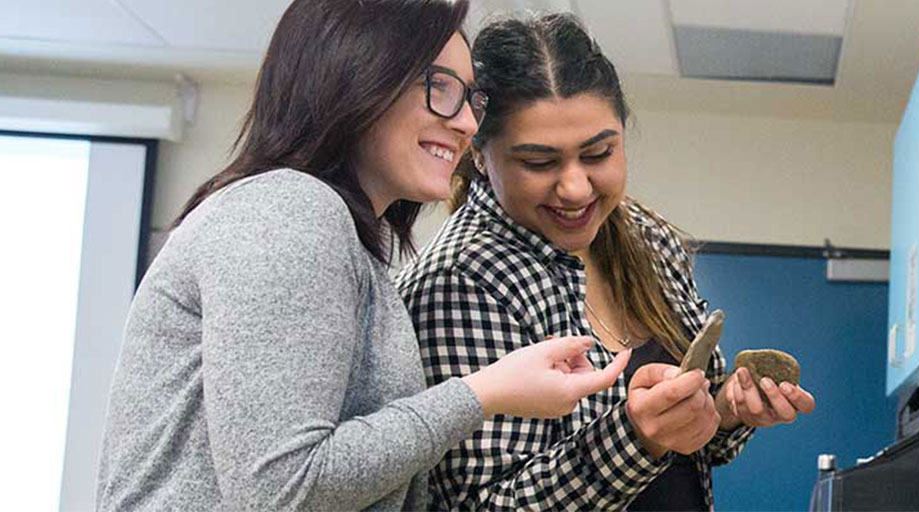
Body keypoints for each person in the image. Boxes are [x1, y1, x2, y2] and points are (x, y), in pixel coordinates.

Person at [95, 1, 628, 509]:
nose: (467, 123)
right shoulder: (289, 208)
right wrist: (484, 393)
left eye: (470, 98)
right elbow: (285, 489)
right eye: (440, 88)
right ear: (357, 76)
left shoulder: (348, 241)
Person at [398, 13, 817, 510]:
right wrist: (638, 437)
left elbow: (693, 449)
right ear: (478, 154)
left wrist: (725, 410)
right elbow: (482, 506)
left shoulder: (645, 235)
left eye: (598, 153)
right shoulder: (458, 282)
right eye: (539, 162)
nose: (575, 188)